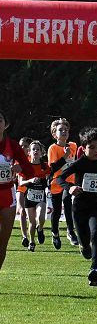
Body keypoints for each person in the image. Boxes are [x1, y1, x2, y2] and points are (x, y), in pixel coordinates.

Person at [56, 128, 97, 286]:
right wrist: (70, 187)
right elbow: (59, 178)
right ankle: (83, 246)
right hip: (80, 208)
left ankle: (95, 270)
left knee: (96, 235)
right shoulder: (79, 163)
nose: (96, 150)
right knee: (85, 242)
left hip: (96, 207)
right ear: (84, 148)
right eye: (92, 147)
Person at [0, 108, 31, 273]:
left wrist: (20, 167)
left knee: (3, 242)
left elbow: (29, 169)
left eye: (0, 120)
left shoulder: (12, 145)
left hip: (7, 194)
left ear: (6, 125)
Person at [48, 118, 79, 249]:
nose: (64, 132)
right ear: (55, 134)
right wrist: (65, 156)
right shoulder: (53, 148)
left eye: (66, 130)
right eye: (61, 130)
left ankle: (70, 231)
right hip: (56, 183)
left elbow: (75, 163)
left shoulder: (73, 146)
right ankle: (55, 233)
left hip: (69, 182)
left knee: (67, 201)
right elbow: (53, 168)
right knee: (55, 212)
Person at [16, 140, 50, 252]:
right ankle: (31, 241)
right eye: (33, 149)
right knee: (32, 222)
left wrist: (48, 182)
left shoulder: (45, 166)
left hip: (41, 196)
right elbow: (20, 183)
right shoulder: (25, 166)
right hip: (29, 197)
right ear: (29, 152)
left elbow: (51, 176)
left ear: (41, 152)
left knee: (40, 217)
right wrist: (30, 180)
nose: (35, 151)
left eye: (38, 149)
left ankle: (40, 229)